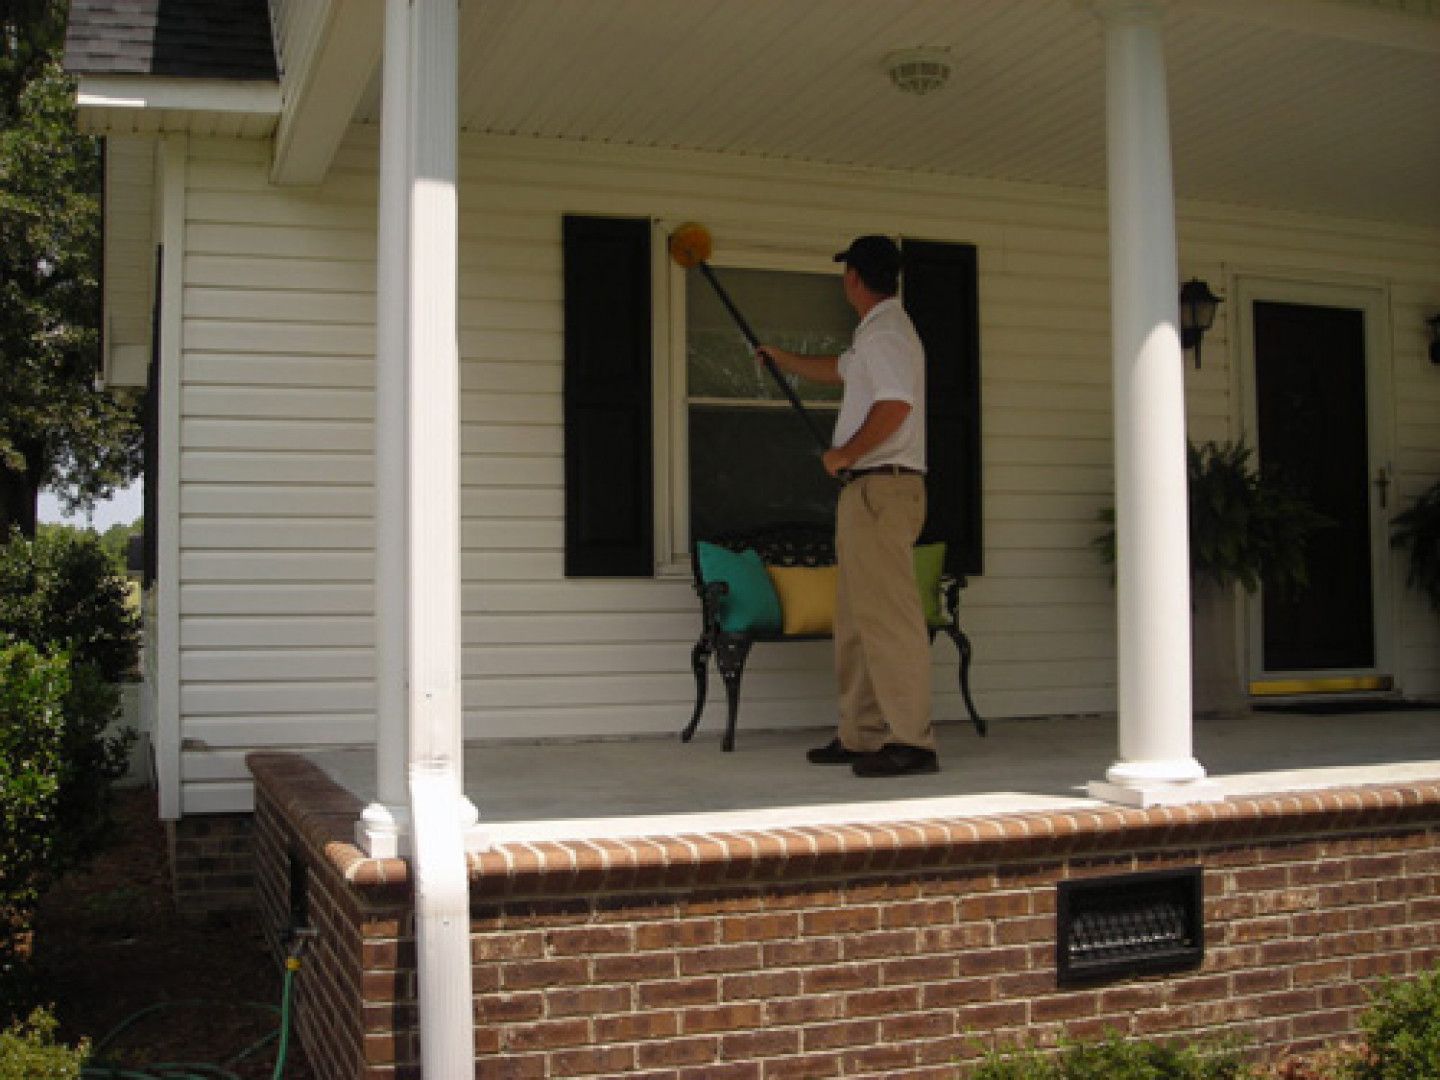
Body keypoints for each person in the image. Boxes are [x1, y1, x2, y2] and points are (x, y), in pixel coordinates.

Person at [757, 235, 937, 778]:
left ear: (853, 278)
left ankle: (912, 742)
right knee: (857, 619)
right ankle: (861, 736)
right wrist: (783, 360)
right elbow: (843, 370)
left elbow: (895, 406)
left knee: (888, 621)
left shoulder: (886, 335)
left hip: (882, 487)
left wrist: (844, 453)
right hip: (869, 492)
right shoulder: (876, 336)